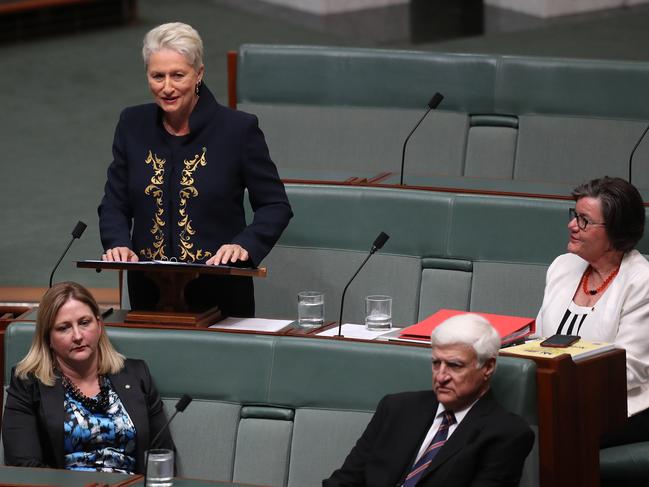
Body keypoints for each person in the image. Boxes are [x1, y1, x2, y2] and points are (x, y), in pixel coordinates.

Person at [98, 22, 292, 316]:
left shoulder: (238, 130)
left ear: (199, 73)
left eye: (178, 75)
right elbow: (115, 202)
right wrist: (117, 244)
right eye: (157, 76)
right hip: (149, 292)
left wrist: (244, 246)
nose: (167, 87)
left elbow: (275, 205)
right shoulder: (131, 124)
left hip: (221, 292)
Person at [323, 314, 534, 487]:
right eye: (436, 363)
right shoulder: (396, 409)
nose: (441, 376)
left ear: (487, 367)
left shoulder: (506, 434)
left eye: (455, 365)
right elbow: (345, 481)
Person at [2, 282, 174, 473]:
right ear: (48, 338)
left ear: (99, 325)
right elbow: (24, 467)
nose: (77, 336)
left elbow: (163, 457)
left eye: (84, 323)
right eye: (63, 328)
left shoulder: (136, 375)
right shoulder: (28, 383)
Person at [536, 176, 649, 447]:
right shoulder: (563, 266)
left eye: (584, 220)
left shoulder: (642, 282)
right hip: (552, 397)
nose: (572, 225)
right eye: (574, 215)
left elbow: (629, 369)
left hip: (622, 407)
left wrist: (558, 384)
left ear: (616, 232)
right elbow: (537, 341)